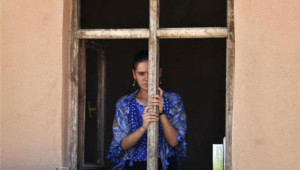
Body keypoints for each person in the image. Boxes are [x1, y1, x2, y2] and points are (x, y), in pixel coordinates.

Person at [107, 51, 187, 170]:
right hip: (134, 165)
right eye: (141, 73)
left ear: (159, 72)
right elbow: (122, 144)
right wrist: (143, 127)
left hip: (165, 165)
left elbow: (175, 142)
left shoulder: (173, 100)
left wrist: (162, 113)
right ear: (134, 74)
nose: (146, 79)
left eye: (151, 73)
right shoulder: (124, 104)